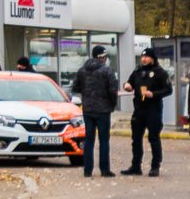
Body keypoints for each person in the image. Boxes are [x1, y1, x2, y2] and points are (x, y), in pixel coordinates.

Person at [121, 48, 172, 177]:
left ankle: (155, 166)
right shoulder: (138, 71)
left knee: (153, 138)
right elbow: (129, 82)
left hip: (153, 109)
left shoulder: (160, 72)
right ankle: (136, 166)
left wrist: (153, 94)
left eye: (147, 57)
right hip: (139, 109)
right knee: (136, 139)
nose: (144, 59)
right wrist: (127, 86)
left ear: (152, 58)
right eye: (142, 57)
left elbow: (168, 90)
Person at [70, 45, 119, 178]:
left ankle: (87, 170)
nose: (105, 59)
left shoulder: (82, 70)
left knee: (89, 140)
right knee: (104, 140)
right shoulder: (107, 71)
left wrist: (86, 95)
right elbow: (113, 91)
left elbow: (75, 87)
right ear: (101, 57)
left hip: (88, 109)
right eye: (104, 56)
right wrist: (112, 104)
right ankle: (104, 169)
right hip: (103, 110)